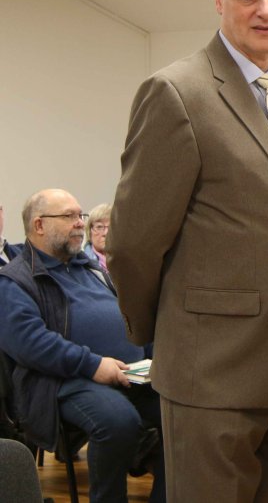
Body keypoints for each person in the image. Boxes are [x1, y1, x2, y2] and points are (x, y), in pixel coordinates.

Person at [108, 0, 268, 503]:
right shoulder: (177, 92)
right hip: (209, 375)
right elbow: (133, 245)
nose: (267, 10)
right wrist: (167, 334)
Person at [0, 189, 164, 503]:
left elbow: (132, 318)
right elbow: (31, 344)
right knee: (118, 421)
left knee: (178, 412)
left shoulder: (92, 269)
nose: (80, 224)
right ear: (39, 225)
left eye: (81, 216)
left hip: (131, 374)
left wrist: (155, 357)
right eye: (69, 216)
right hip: (62, 381)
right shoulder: (15, 280)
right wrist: (94, 365)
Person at [83, 203, 111, 271]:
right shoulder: (82, 263)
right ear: (89, 231)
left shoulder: (130, 260)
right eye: (99, 227)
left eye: (111, 227)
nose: (106, 233)